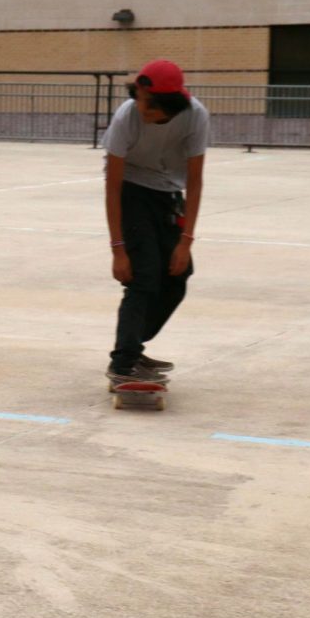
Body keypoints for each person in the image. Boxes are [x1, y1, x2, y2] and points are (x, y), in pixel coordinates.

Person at [102, 59, 208, 385]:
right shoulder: (126, 116)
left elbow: (195, 180)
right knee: (143, 276)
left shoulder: (195, 116)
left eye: (150, 105)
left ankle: (131, 344)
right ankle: (123, 363)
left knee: (178, 275)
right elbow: (113, 185)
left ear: (171, 105)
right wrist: (118, 249)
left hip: (168, 195)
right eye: (139, 100)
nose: (141, 109)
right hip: (132, 193)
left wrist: (186, 242)